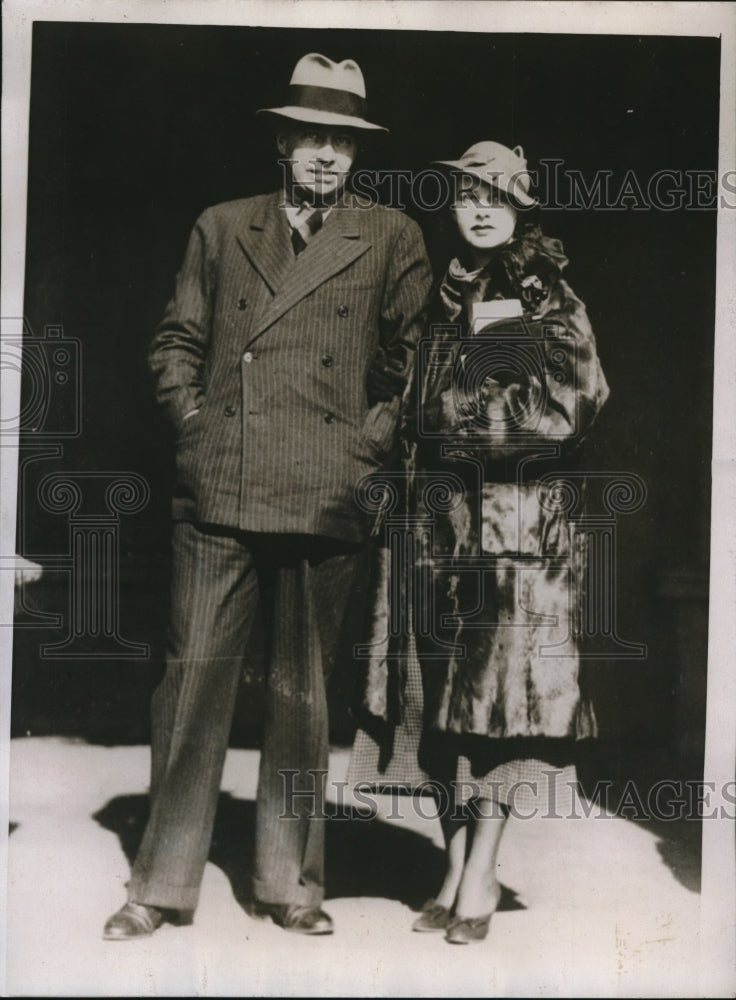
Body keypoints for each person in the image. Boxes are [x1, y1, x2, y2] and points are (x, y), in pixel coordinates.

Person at [103, 52, 432, 940]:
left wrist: (364, 451)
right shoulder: (222, 226)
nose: (325, 155)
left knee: (301, 696)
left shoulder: (392, 236)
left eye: (342, 141)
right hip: (221, 487)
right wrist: (199, 425)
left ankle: (291, 885)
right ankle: (160, 886)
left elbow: (411, 366)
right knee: (191, 684)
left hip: (327, 492)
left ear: (357, 156)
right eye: (310, 137)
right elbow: (177, 338)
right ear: (282, 142)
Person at [349, 141, 610, 944]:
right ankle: (453, 856)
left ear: (522, 209)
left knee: (495, 707)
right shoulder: (440, 295)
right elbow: (396, 396)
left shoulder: (544, 296)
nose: (482, 207)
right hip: (431, 525)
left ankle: (483, 870)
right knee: (430, 705)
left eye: (498, 195)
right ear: (454, 205)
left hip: (513, 530)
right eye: (468, 195)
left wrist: (455, 423)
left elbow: (570, 405)